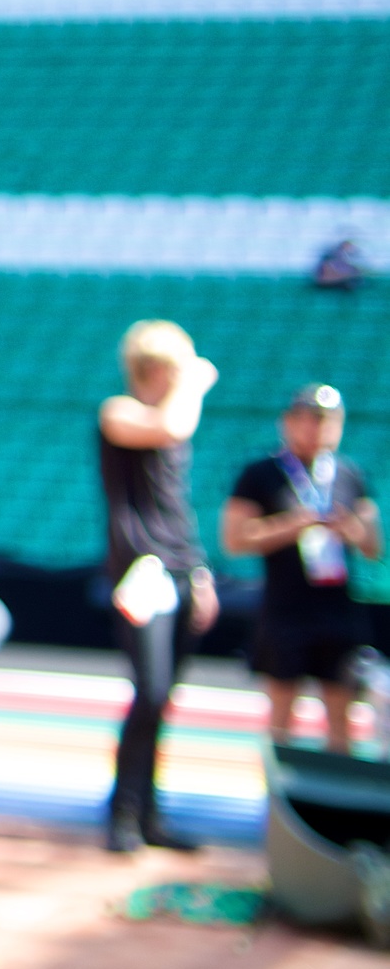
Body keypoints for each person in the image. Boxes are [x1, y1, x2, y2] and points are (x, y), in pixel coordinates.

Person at [99, 318, 221, 854]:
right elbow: (172, 425)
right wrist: (194, 382)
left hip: (178, 569)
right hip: (140, 574)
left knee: (163, 696)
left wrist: (199, 572)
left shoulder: (172, 433)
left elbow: (176, 508)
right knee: (147, 689)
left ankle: (149, 813)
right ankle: (123, 814)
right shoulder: (118, 414)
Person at [222, 385, 381, 753]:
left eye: (327, 421)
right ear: (289, 423)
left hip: (338, 609)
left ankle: (341, 800)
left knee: (343, 717)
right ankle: (277, 801)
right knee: (281, 715)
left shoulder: (349, 473)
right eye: (309, 419)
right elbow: (235, 539)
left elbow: (373, 546)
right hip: (285, 609)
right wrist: (293, 525)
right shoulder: (260, 474)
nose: (317, 429)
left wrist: (350, 530)